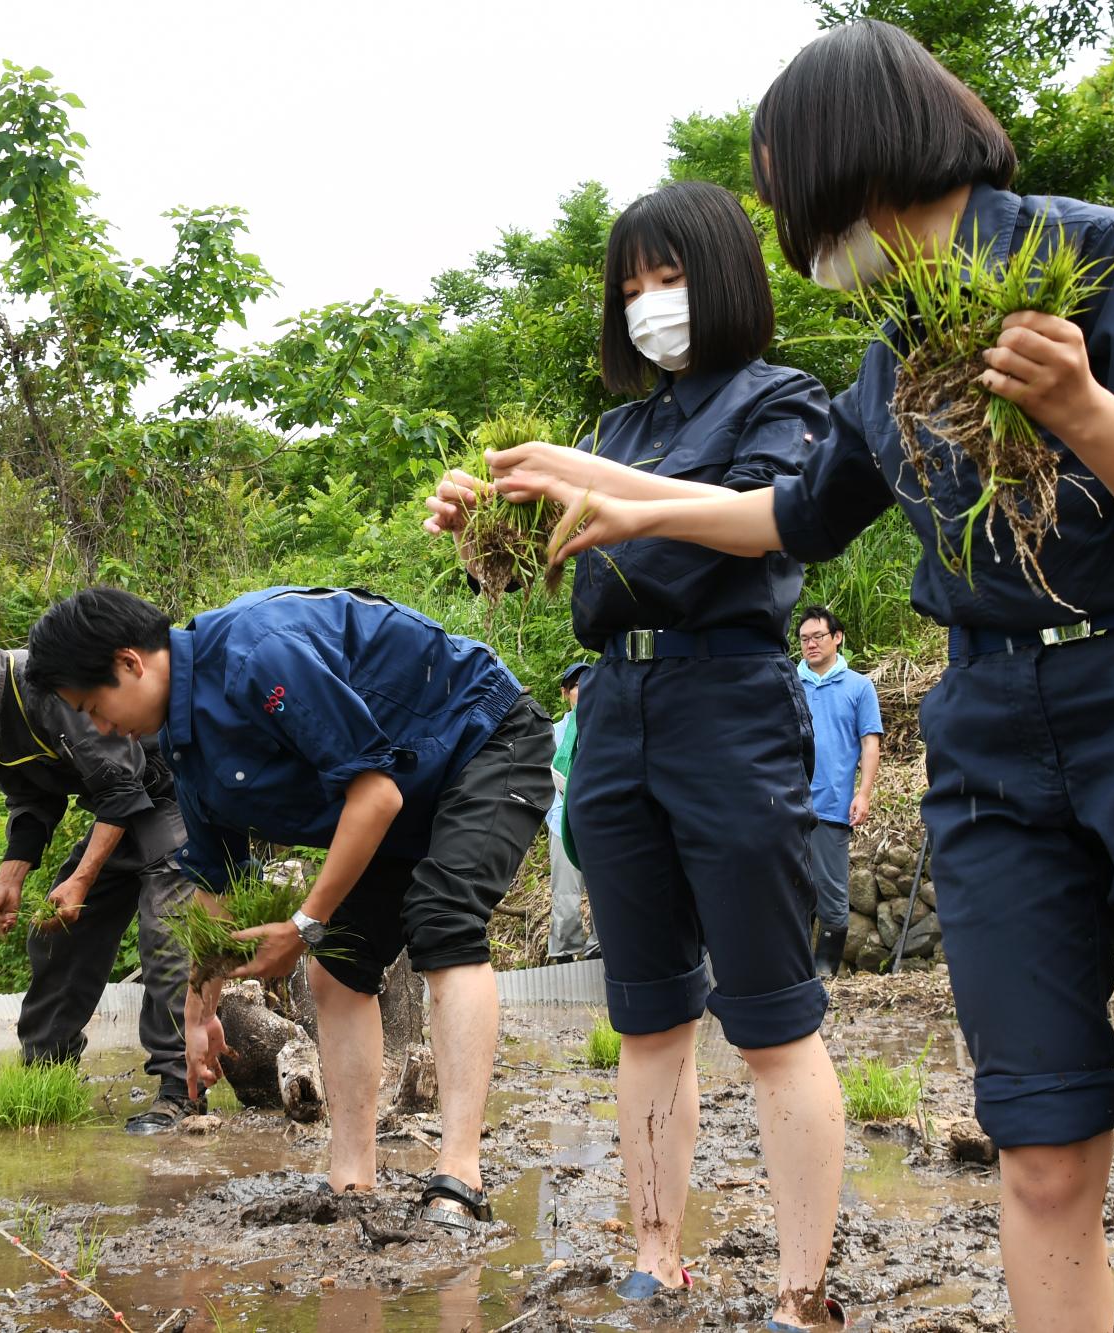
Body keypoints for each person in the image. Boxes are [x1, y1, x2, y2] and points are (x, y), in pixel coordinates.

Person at [474, 23, 1114, 1332]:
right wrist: (608, 494)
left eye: (780, 187)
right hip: (993, 734)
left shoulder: (1090, 252)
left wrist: (1080, 407)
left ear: (837, 157)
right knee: (1041, 1147)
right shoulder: (892, 355)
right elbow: (791, 515)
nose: (786, 223)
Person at [426, 180, 850, 1329]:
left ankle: (802, 1288)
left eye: (669, 276)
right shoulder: (614, 431)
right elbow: (538, 566)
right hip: (613, 708)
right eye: (632, 288)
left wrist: (589, 482)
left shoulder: (782, 400)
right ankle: (657, 1250)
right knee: (648, 1011)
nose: (651, 303)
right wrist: (488, 526)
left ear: (723, 277)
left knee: (771, 1013)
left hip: (731, 702)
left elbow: (760, 513)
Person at [25, 585, 553, 1236]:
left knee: (443, 919)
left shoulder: (258, 653)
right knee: (338, 970)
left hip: (484, 739)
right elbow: (214, 888)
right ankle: (352, 1180)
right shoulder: (188, 752)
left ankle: (460, 1178)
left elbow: (375, 795)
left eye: (92, 708)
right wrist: (199, 1014)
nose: (101, 729)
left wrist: (303, 925)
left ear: (130, 663)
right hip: (404, 791)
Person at [0, 629, 198, 1133]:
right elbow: (31, 801)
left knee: (165, 934)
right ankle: (44, 1076)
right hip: (120, 813)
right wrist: (10, 877)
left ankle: (181, 1090)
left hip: (177, 795)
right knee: (57, 934)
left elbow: (121, 783)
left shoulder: (49, 685)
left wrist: (82, 880)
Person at [793, 606, 881, 976]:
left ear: (837, 637)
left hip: (832, 804)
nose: (811, 644)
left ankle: (826, 970)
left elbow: (870, 742)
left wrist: (864, 793)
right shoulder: (789, 684)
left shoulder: (859, 687)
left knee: (830, 891)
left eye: (818, 636)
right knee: (790, 891)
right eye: (804, 639)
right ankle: (797, 972)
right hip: (787, 804)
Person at [546, 661, 595, 964]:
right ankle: (563, 954)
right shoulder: (554, 733)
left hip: (599, 821)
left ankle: (600, 948)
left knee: (607, 890)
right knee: (565, 896)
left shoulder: (605, 725)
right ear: (565, 693)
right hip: (561, 822)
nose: (583, 689)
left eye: (588, 682)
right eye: (576, 685)